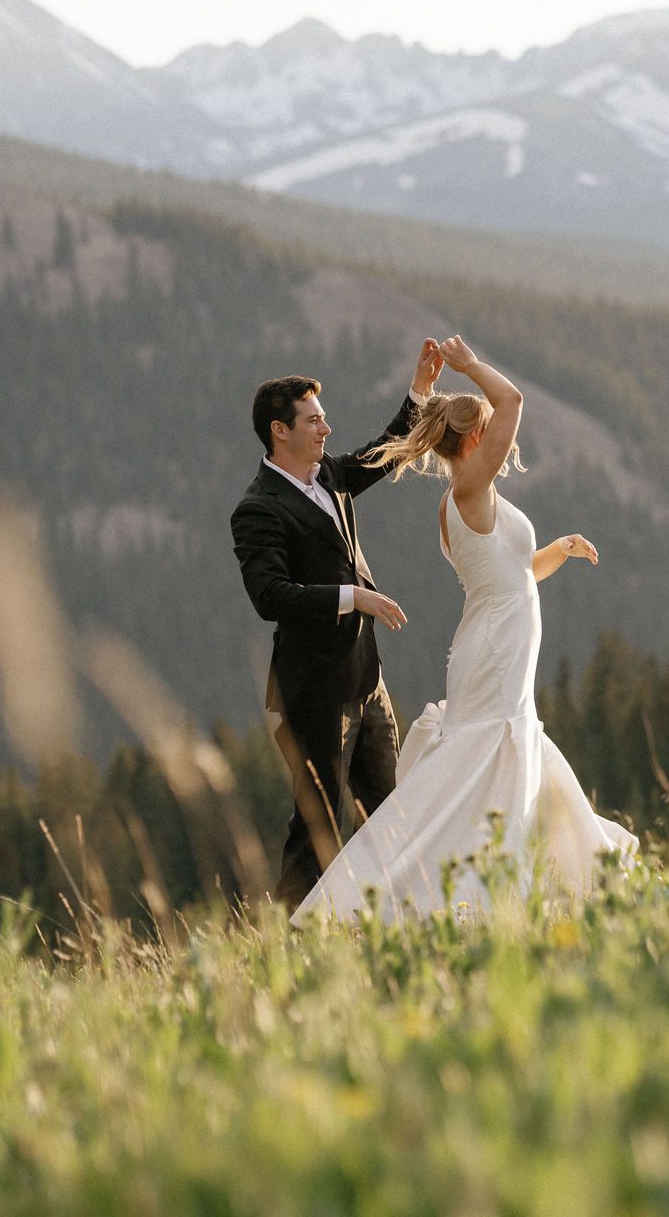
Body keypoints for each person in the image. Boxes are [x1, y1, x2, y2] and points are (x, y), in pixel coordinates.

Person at [294, 336, 637, 923]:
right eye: (492, 435)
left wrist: (558, 549)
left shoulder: (472, 499)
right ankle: (449, 893)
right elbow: (515, 402)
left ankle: (513, 882)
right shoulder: (468, 488)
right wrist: (471, 365)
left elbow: (513, 577)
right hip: (495, 651)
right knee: (482, 762)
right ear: (475, 440)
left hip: (496, 640)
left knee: (497, 756)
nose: (505, 445)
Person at [232, 339, 446, 911]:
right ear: (280, 431)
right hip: (315, 697)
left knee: (391, 814)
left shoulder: (326, 473)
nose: (326, 430)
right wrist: (355, 597)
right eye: (315, 420)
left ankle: (406, 921)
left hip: (365, 680)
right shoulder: (258, 508)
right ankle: (281, 948)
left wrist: (420, 391)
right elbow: (269, 596)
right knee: (318, 833)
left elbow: (382, 455)